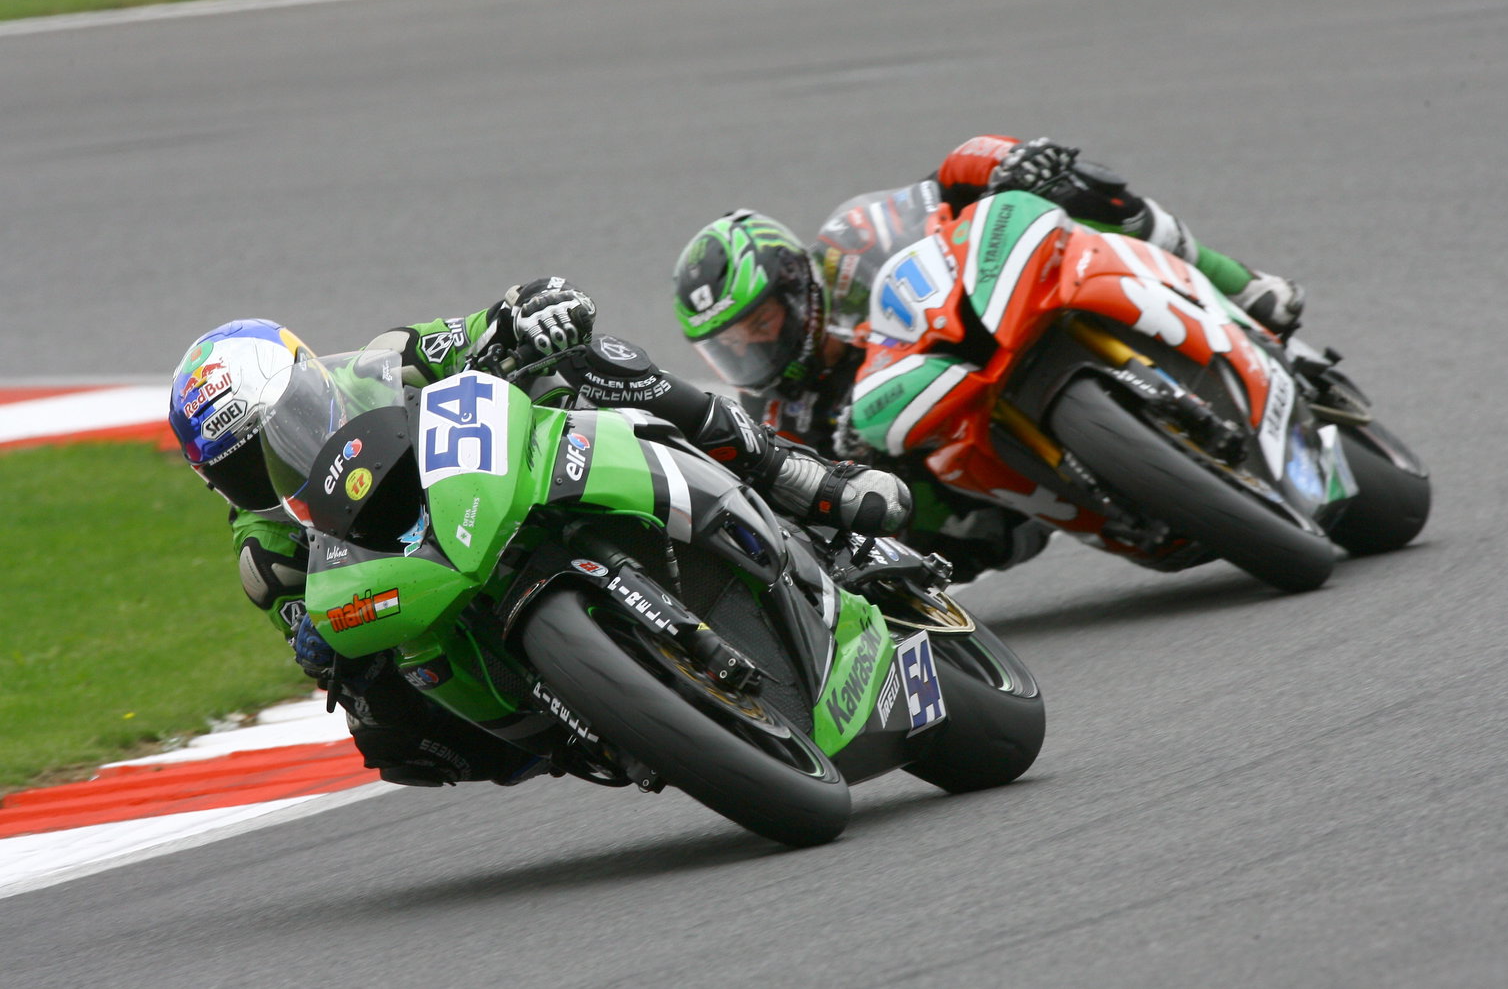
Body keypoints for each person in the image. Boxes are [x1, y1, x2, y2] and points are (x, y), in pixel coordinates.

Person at [168, 284, 910, 788]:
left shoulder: (383, 361)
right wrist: (321, 648)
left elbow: (481, 327)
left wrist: (532, 310)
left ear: (309, 383)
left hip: (493, 479)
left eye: (282, 427)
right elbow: (314, 635)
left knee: (591, 362)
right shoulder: (264, 552)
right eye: (241, 468)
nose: (272, 466)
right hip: (429, 589)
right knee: (387, 733)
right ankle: (585, 721)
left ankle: (794, 474)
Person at [671, 135, 1306, 581]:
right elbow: (815, 511)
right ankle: (1124, 501)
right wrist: (857, 478)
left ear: (793, 284)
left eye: (760, 325)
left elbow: (947, 178)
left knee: (1081, 192)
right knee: (900, 528)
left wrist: (1010, 160)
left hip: (986, 323)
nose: (754, 348)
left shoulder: (851, 246)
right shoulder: (779, 415)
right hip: (980, 505)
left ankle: (1240, 284)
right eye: (731, 346)